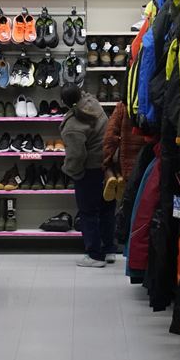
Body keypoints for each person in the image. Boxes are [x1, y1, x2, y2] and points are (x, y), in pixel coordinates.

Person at [60, 85, 116, 267]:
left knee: (88, 212)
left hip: (89, 170)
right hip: (107, 165)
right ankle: (109, 249)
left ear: (64, 103)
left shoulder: (73, 126)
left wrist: (73, 172)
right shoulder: (94, 104)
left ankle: (94, 255)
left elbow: (76, 156)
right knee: (107, 208)